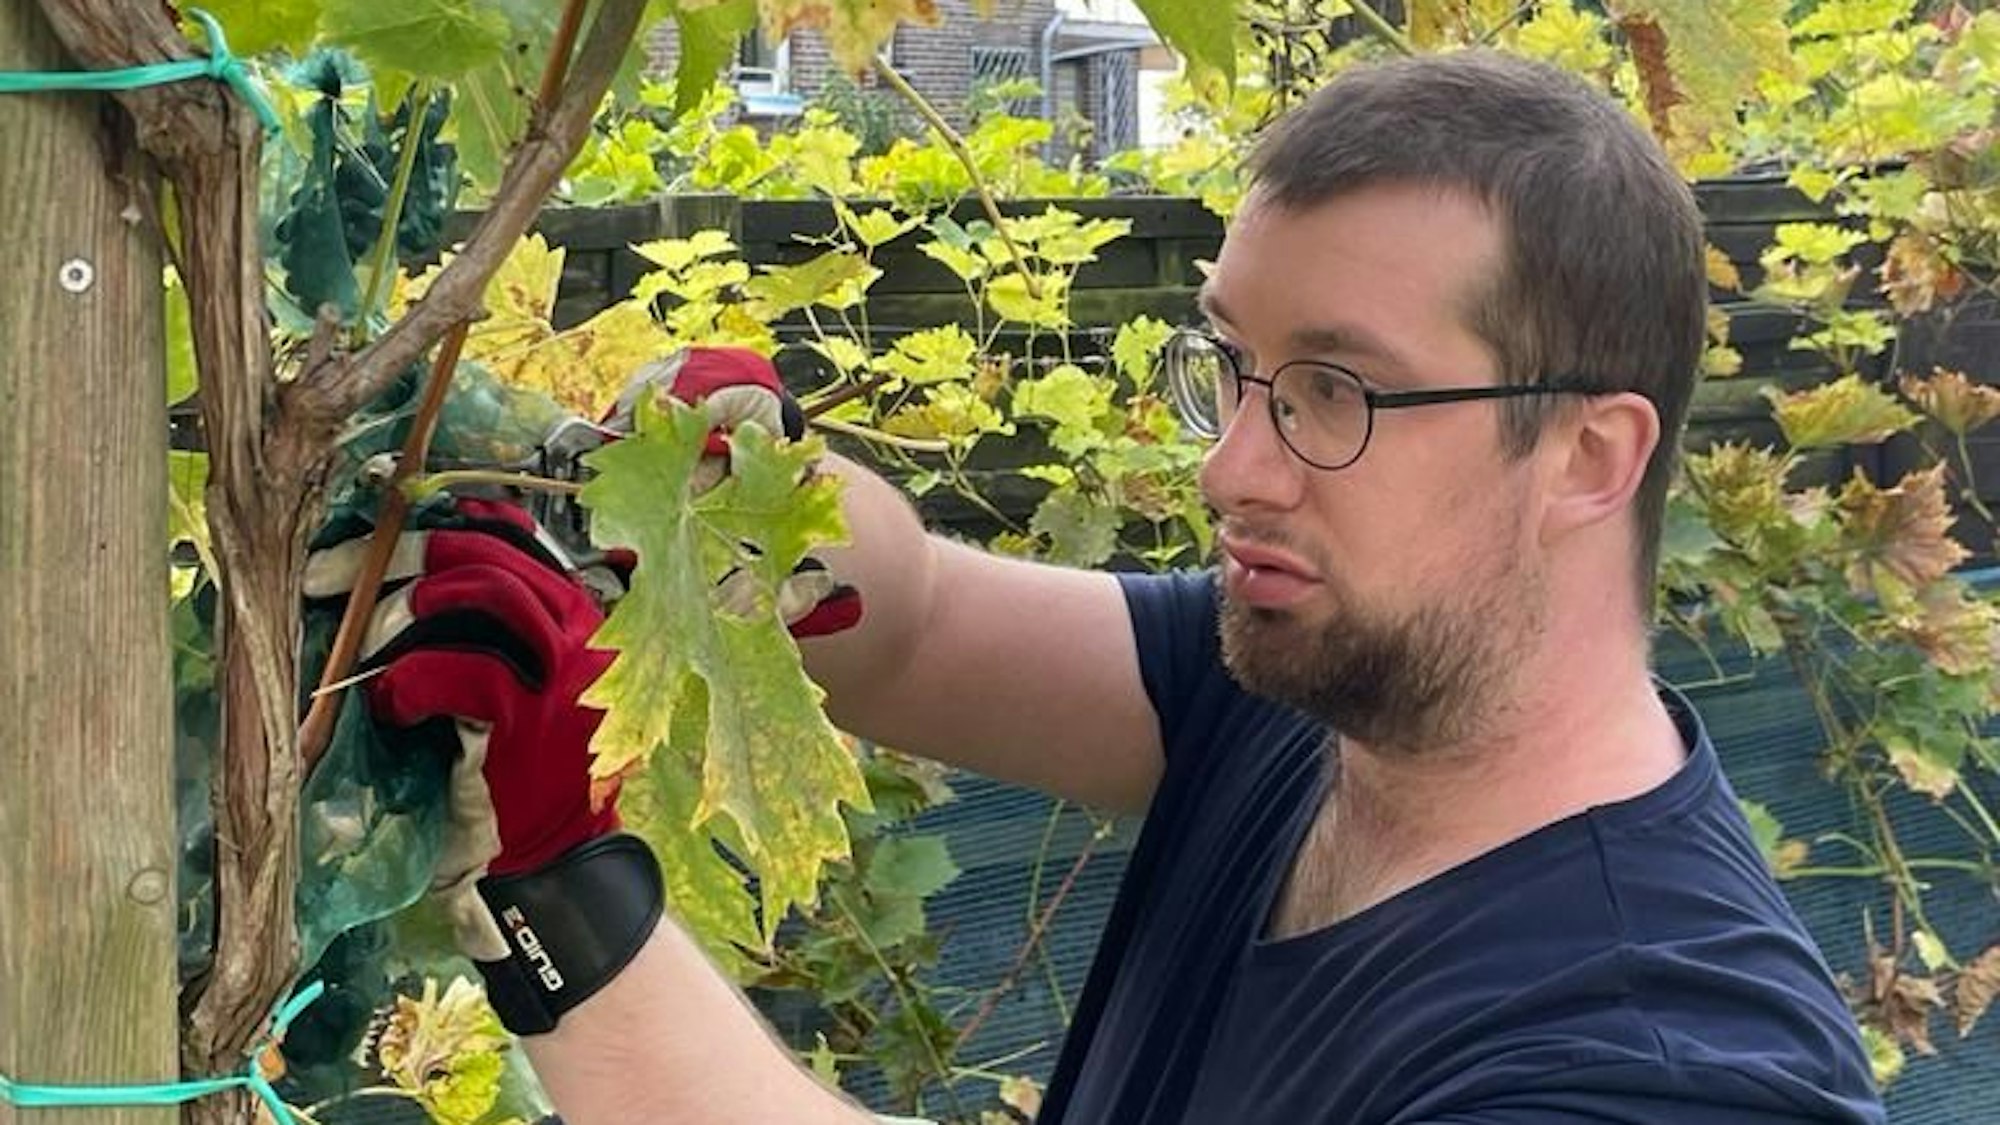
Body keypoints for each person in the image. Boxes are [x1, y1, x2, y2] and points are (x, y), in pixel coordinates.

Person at [309, 50, 1887, 1124]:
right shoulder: (1310, 693)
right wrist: (743, 505)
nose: (1231, 468)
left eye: (1333, 392)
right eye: (1236, 368)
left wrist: (569, 905)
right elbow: (911, 618)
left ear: (1591, 458)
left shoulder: (1660, 1066)